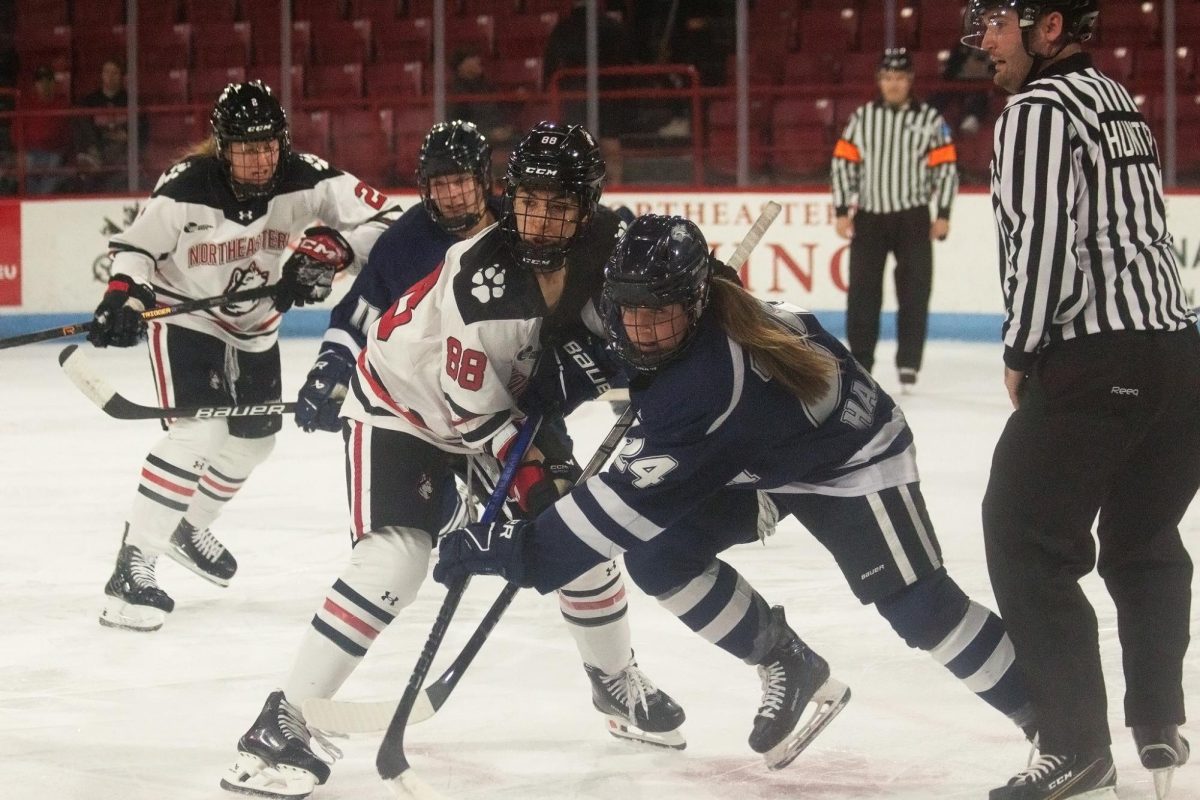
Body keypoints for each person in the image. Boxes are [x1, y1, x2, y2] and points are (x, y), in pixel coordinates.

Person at [434, 214, 1036, 769]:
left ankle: (1057, 727)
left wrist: (510, 548)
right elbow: (607, 350)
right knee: (660, 554)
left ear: (695, 302)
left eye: (659, 313)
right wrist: (548, 388)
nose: (641, 330)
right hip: (761, 455)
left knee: (919, 607)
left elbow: (601, 525)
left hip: (850, 455)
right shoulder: (683, 322)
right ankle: (785, 661)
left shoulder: (708, 385)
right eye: (630, 311)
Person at [220, 122, 684, 799]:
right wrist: (531, 491)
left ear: (587, 205)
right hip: (404, 406)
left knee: (581, 539)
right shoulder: (481, 286)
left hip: (507, 403)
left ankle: (615, 683)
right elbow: (477, 415)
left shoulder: (611, 244)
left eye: (559, 205)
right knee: (397, 560)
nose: (541, 219)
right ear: (510, 196)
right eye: (529, 201)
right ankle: (282, 722)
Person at [964, 1, 1200, 798]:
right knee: (1143, 536)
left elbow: (1043, 247)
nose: (983, 42)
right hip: (1181, 359)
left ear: (1050, 25)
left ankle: (1075, 745)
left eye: (997, 23)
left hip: (1100, 356)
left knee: (1024, 535)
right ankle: (1160, 722)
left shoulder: (1036, 111)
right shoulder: (1114, 99)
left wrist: (1022, 349)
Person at [88, 80, 401, 634]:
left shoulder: (309, 177)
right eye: (245, 148)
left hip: (257, 325)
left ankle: (191, 524)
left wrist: (336, 249)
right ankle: (130, 571)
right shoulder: (186, 187)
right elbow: (136, 250)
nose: (259, 159)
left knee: (256, 440)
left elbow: (393, 223)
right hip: (186, 315)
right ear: (222, 147)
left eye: (267, 146)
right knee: (197, 435)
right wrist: (124, 296)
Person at [831, 47, 959, 389]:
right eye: (887, 77)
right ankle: (860, 360)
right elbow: (843, 163)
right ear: (879, 80)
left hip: (913, 217)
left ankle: (908, 364)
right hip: (870, 216)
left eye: (900, 77)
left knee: (915, 292)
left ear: (910, 81)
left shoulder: (930, 120)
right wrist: (843, 209)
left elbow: (945, 168)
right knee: (862, 292)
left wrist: (943, 212)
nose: (893, 84)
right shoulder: (862, 118)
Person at [72, 59, 145, 193]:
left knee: (123, 172)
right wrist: (94, 147)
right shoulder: (89, 101)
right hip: (97, 153)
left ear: (121, 76)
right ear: (102, 75)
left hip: (123, 153)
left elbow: (142, 131)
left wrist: (128, 136)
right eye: (107, 72)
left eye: (114, 73)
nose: (110, 77)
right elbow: (82, 131)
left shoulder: (131, 101)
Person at [448, 48, 515, 148]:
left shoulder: (488, 87)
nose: (478, 60)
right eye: (472, 58)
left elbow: (502, 110)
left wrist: (507, 128)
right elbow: (458, 128)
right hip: (476, 141)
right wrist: (489, 134)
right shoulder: (456, 93)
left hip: (500, 134)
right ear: (461, 66)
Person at [19, 65, 70, 194]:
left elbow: (67, 131)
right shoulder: (26, 103)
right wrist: (21, 150)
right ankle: (32, 201)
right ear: (35, 84)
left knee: (52, 170)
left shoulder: (63, 103)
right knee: (28, 167)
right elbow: (16, 130)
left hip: (55, 150)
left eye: (48, 80)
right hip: (31, 150)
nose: (44, 84)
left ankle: (41, 202)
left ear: (53, 83)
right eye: (40, 81)